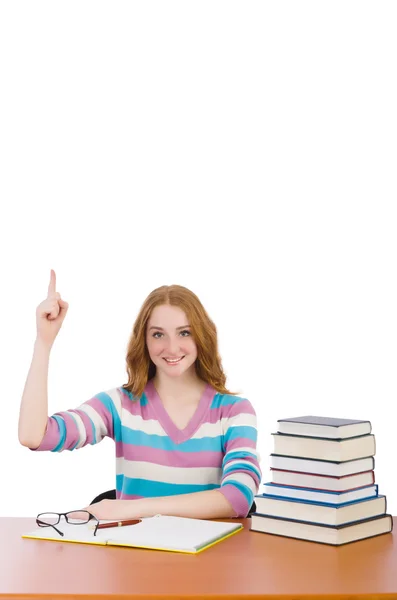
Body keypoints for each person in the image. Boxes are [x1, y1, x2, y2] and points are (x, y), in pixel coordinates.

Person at [18, 270, 261, 521]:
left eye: (184, 332)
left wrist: (130, 508)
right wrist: (44, 341)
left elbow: (239, 497)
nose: (172, 347)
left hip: (210, 557)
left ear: (202, 336)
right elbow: (33, 436)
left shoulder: (235, 411)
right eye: (158, 334)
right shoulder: (119, 405)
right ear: (144, 340)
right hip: (135, 555)